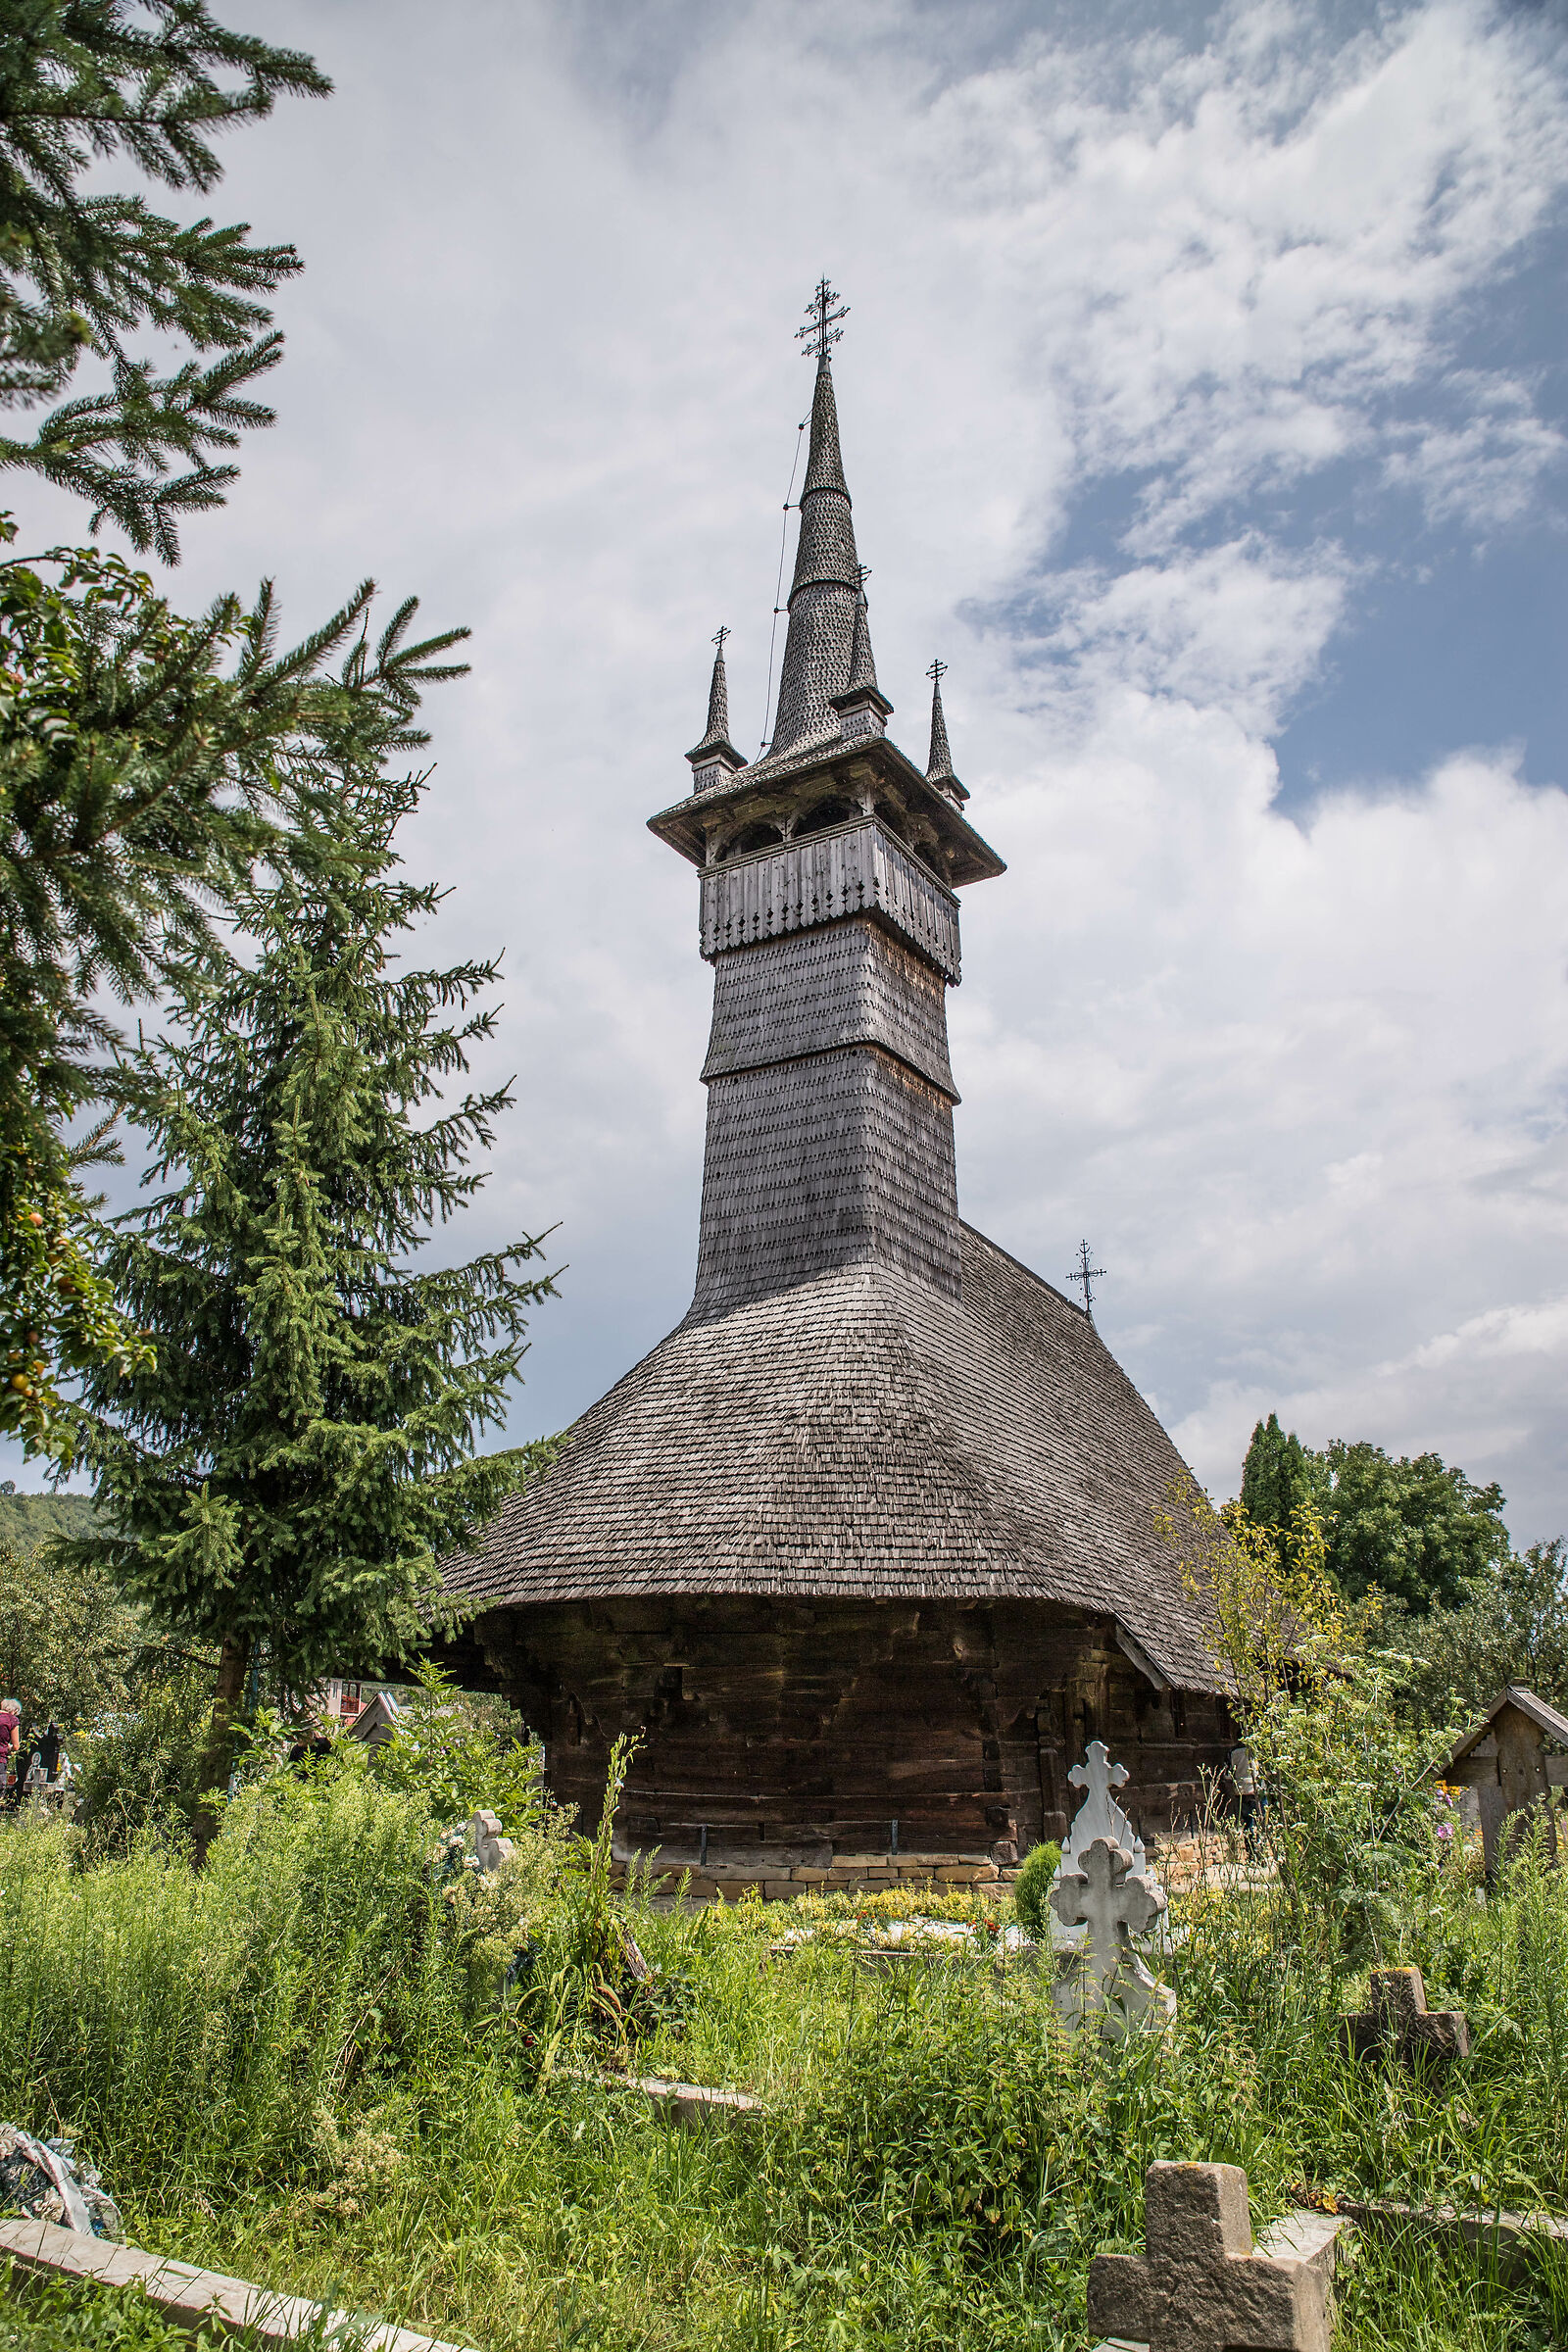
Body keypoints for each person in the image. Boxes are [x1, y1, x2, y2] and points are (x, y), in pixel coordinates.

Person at [1230, 1743, 1264, 1860]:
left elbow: (1228, 1774)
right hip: (1257, 1789)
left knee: (1248, 1822)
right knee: (1261, 1821)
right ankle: (1260, 1852)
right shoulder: (1257, 1748)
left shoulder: (1233, 1752)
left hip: (1241, 1791)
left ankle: (1251, 1853)